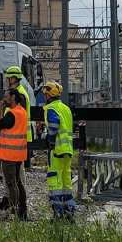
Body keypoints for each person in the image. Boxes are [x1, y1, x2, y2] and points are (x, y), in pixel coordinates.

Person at [42, 81, 75, 219]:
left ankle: (58, 212)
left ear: (49, 95)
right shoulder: (65, 108)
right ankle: (69, 211)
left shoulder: (51, 108)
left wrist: (48, 138)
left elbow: (54, 125)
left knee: (55, 181)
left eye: (45, 94)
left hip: (56, 150)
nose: (44, 97)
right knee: (66, 181)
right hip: (68, 150)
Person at [0, 88, 28, 220]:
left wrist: (0, 108)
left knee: (11, 183)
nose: (4, 99)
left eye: (6, 97)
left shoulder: (12, 114)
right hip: (19, 154)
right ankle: (23, 210)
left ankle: (13, 211)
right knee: (18, 182)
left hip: (9, 154)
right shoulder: (22, 112)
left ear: (13, 97)